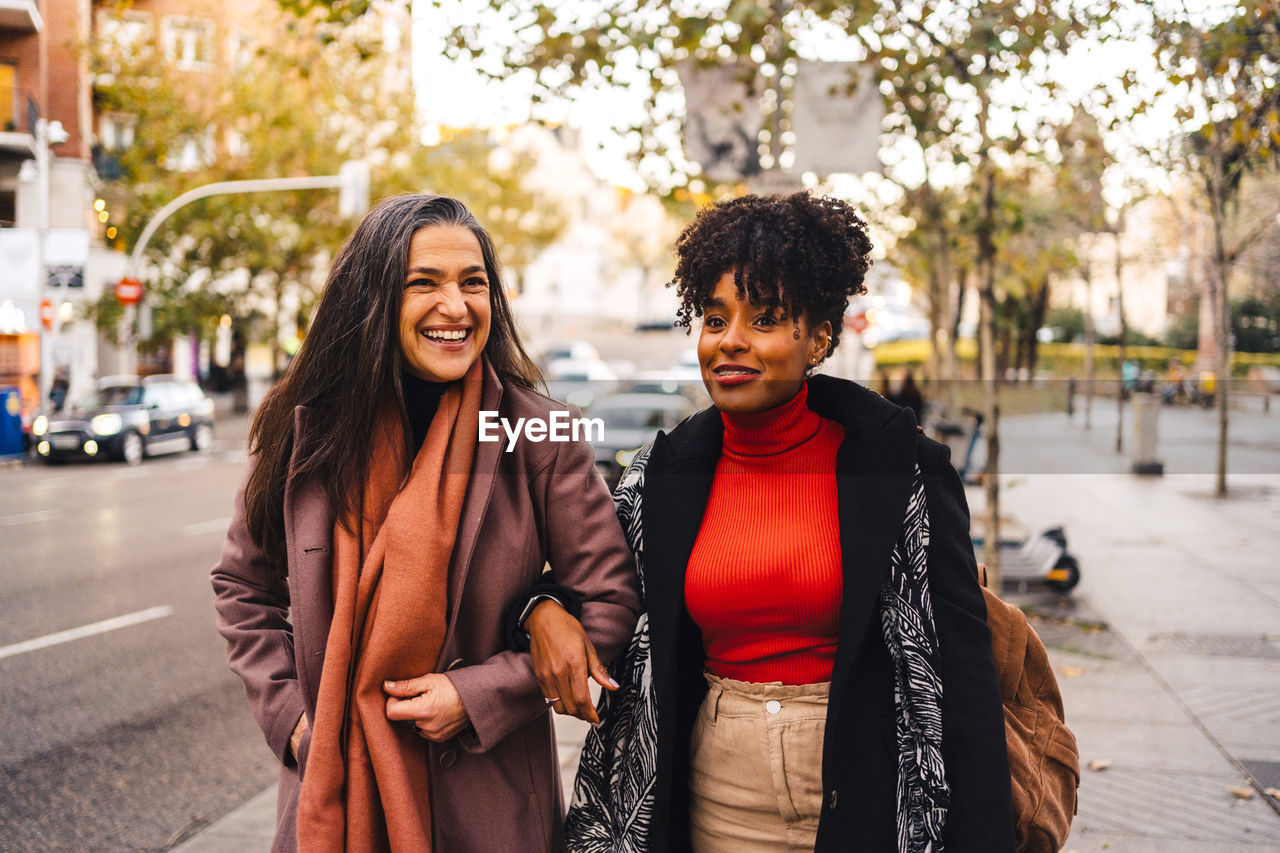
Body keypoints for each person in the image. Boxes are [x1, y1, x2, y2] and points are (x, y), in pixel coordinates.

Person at [519, 193, 1014, 852]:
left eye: (766, 318)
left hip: (869, 790)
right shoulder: (663, 473)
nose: (731, 340)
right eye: (716, 317)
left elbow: (965, 679)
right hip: (717, 797)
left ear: (819, 336)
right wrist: (541, 608)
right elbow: (585, 582)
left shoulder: (903, 470)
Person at [211, 194, 640, 853]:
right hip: (336, 795)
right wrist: (296, 723)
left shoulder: (540, 431)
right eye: (424, 282)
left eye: (474, 282)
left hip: (490, 804)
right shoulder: (307, 433)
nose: (456, 306)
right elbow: (244, 589)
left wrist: (478, 693)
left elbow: (610, 603)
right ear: (374, 300)